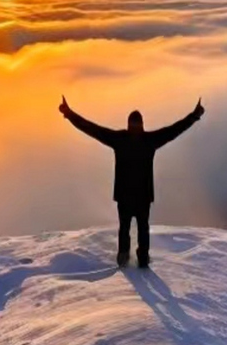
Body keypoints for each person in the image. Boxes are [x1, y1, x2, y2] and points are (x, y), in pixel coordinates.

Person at [59, 95, 205, 268]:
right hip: (143, 195)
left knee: (125, 227)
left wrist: (69, 114)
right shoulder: (149, 140)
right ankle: (142, 258)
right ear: (142, 125)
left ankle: (123, 256)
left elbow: (92, 129)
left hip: (124, 195)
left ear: (129, 125)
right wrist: (194, 116)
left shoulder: (120, 139)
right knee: (143, 227)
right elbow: (174, 130)